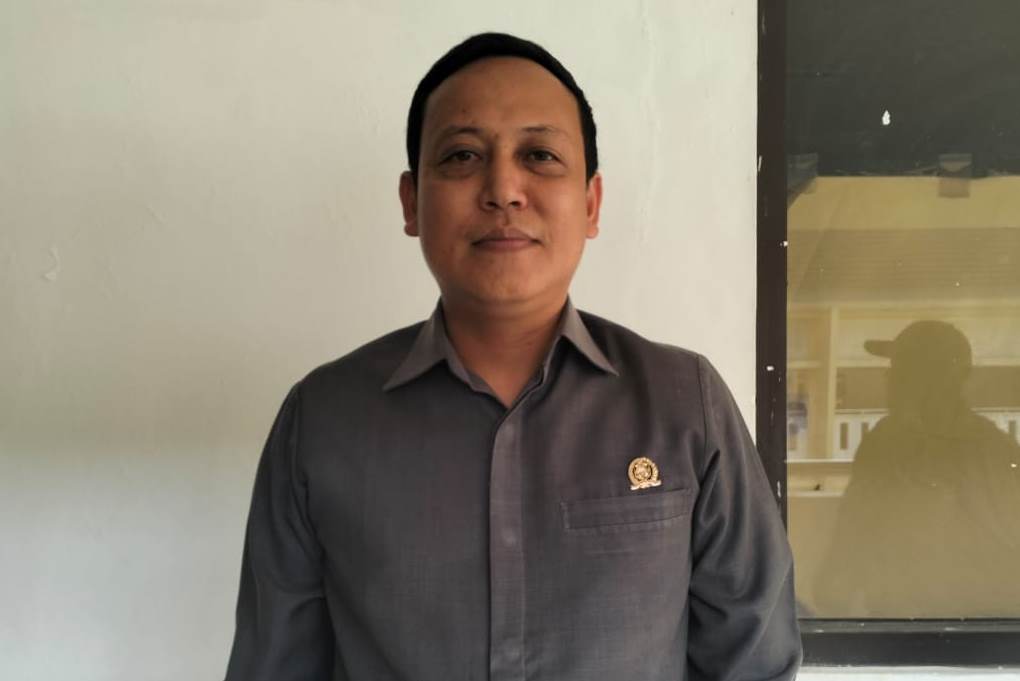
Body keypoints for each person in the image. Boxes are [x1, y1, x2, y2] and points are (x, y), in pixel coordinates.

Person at [224, 32, 802, 681]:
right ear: (412, 202)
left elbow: (753, 663)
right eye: (462, 155)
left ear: (591, 203)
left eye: (540, 155)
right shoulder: (322, 419)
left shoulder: (685, 403)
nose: (503, 189)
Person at [815, 321, 1020, 617]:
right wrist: (834, 589)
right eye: (894, 371)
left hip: (976, 626)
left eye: (902, 370)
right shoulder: (883, 441)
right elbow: (854, 524)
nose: (890, 379)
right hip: (892, 621)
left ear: (940, 379)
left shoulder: (991, 450)